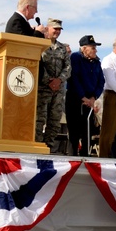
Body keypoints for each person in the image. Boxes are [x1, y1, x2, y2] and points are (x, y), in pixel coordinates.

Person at [66, 35, 105, 157]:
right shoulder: (76, 58)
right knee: (74, 132)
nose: (95, 50)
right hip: (75, 98)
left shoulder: (97, 62)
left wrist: (93, 97)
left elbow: (101, 81)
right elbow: (74, 78)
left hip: (90, 100)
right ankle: (72, 158)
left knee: (87, 131)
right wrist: (83, 97)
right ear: (84, 48)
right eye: (92, 47)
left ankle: (85, 157)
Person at [35, 19, 71, 151]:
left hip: (58, 90)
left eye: (59, 29)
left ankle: (48, 147)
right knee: (40, 120)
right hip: (43, 89)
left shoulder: (62, 48)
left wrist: (59, 80)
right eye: (55, 29)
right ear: (47, 28)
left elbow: (68, 67)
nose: (57, 31)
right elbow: (38, 64)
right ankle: (37, 146)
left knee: (55, 120)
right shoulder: (41, 44)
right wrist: (48, 80)